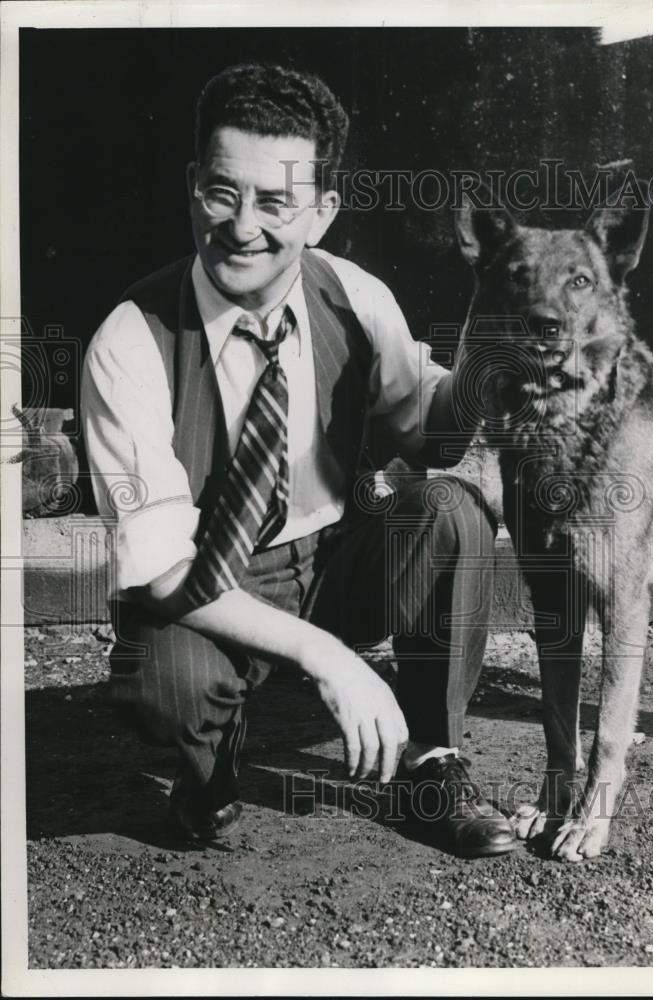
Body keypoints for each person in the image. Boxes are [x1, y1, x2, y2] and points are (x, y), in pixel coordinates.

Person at [81, 62, 516, 858]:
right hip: (210, 582)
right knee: (164, 682)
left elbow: (435, 438)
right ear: (192, 186)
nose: (242, 225)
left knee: (451, 511)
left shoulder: (353, 297)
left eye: (276, 202)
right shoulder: (130, 340)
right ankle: (210, 763)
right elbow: (167, 576)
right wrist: (332, 661)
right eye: (222, 191)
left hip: (331, 562)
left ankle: (433, 759)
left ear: (321, 212)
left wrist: (491, 343)